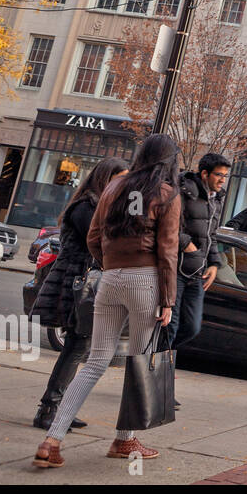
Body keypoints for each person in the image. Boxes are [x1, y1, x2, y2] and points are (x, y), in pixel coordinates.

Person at [33, 134, 183, 469]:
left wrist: (108, 263)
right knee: (138, 363)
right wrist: (168, 299)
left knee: (96, 360)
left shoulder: (114, 187)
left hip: (111, 278)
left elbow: (93, 236)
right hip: (145, 281)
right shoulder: (167, 194)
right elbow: (168, 250)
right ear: (168, 161)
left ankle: (52, 439)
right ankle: (123, 438)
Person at [30, 157, 129, 432]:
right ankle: (49, 409)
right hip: (77, 280)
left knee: (79, 345)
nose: (122, 185)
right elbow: (99, 240)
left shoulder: (101, 205)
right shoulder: (86, 206)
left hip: (86, 279)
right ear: (105, 178)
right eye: (118, 179)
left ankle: (59, 407)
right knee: (76, 345)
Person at [168, 153, 228, 348]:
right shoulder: (185, 191)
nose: (222, 180)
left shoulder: (216, 200)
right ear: (204, 174)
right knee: (170, 325)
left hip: (198, 272)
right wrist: (187, 244)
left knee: (192, 327)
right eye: (219, 175)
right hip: (176, 269)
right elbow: (169, 226)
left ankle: (160, 359)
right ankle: (156, 370)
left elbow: (212, 235)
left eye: (225, 176)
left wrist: (214, 264)